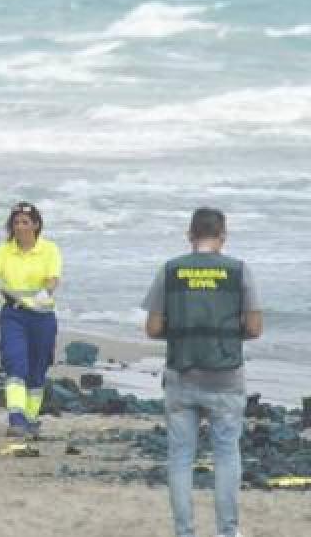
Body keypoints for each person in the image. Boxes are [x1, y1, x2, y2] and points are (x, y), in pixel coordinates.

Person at [143, 208, 261, 537]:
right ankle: (227, 532)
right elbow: (254, 327)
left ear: (190, 235)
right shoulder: (239, 271)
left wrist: (183, 328)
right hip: (226, 377)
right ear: (222, 235)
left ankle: (185, 532)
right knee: (226, 455)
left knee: (180, 457)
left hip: (182, 375)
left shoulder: (170, 270)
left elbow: (153, 328)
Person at [0, 202, 62, 439]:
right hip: (14, 316)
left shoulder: (49, 249)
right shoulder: (2, 252)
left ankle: (31, 419)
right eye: (16, 222)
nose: (20, 227)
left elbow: (53, 279)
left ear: (36, 224)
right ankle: (16, 419)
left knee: (37, 370)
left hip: (42, 317)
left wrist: (45, 293)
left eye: (25, 222)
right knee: (15, 364)